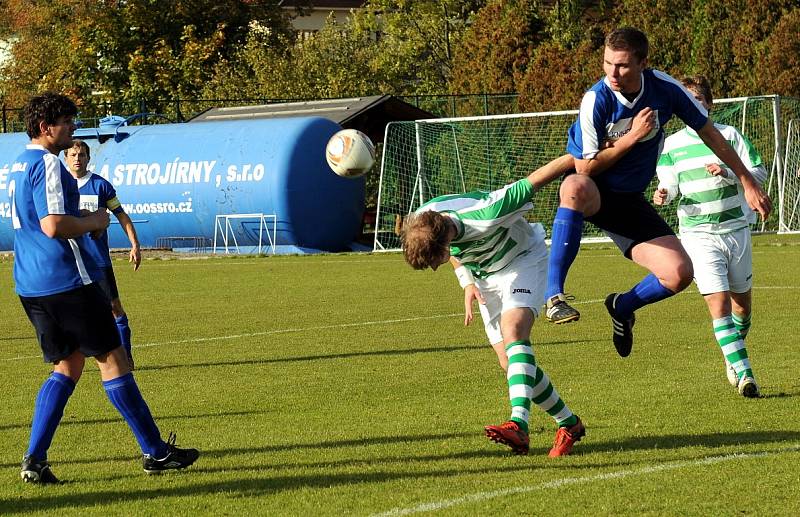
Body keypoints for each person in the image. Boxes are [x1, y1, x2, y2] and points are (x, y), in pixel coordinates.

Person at [543, 27, 772, 360]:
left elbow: (709, 132)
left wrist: (747, 180)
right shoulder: (596, 99)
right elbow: (585, 168)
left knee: (679, 273)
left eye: (621, 65)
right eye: (607, 63)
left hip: (628, 203)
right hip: (595, 192)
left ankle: (622, 307)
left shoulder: (664, 89)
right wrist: (631, 137)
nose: (612, 73)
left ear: (642, 63)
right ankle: (554, 297)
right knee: (573, 186)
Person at [7, 92, 199, 484]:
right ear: (47, 128)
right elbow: (54, 226)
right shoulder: (47, 163)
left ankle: (35, 459)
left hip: (30, 283)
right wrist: (95, 221)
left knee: (68, 365)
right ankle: (155, 452)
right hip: (65, 281)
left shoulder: (16, 163)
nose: (74, 129)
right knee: (113, 361)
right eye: (68, 121)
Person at [401, 154, 586, 457]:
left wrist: (583, 153)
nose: (436, 268)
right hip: (485, 276)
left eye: (436, 261)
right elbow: (452, 251)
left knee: (514, 331)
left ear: (445, 243)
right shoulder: (424, 221)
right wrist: (467, 281)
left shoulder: (488, 212)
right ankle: (570, 424)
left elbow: (538, 177)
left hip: (522, 260)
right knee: (509, 362)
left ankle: (518, 425)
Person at [653, 75, 766, 398]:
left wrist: (729, 172)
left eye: (698, 101)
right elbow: (670, 182)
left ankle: (734, 353)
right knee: (718, 303)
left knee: (741, 307)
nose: (693, 107)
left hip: (736, 230)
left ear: (709, 104)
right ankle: (745, 374)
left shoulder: (729, 135)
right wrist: (664, 193)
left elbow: (757, 172)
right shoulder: (671, 144)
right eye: (687, 103)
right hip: (698, 234)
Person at [65, 139, 139, 370]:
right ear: (66, 158)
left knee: (114, 308)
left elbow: (121, 215)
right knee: (69, 311)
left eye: (82, 155)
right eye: (73, 155)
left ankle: (126, 355)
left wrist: (135, 244)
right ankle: (67, 362)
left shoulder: (100, 185)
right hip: (69, 262)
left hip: (97, 261)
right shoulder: (59, 185)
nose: (78, 159)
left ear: (88, 158)